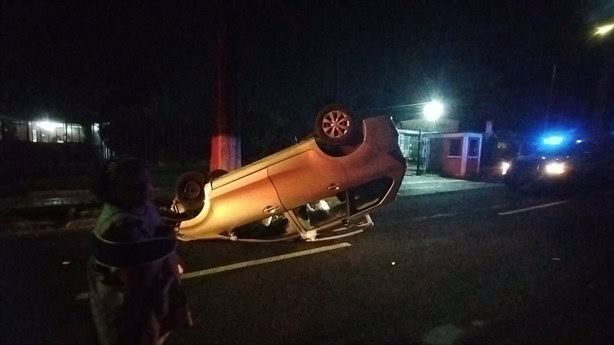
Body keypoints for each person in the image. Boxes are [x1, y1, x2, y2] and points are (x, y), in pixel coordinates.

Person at [87, 158, 192, 345]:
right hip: (128, 306)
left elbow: (159, 232)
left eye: (146, 183)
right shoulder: (119, 226)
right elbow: (140, 278)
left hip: (146, 302)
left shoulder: (138, 205)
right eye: (134, 186)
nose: (146, 190)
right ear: (112, 191)